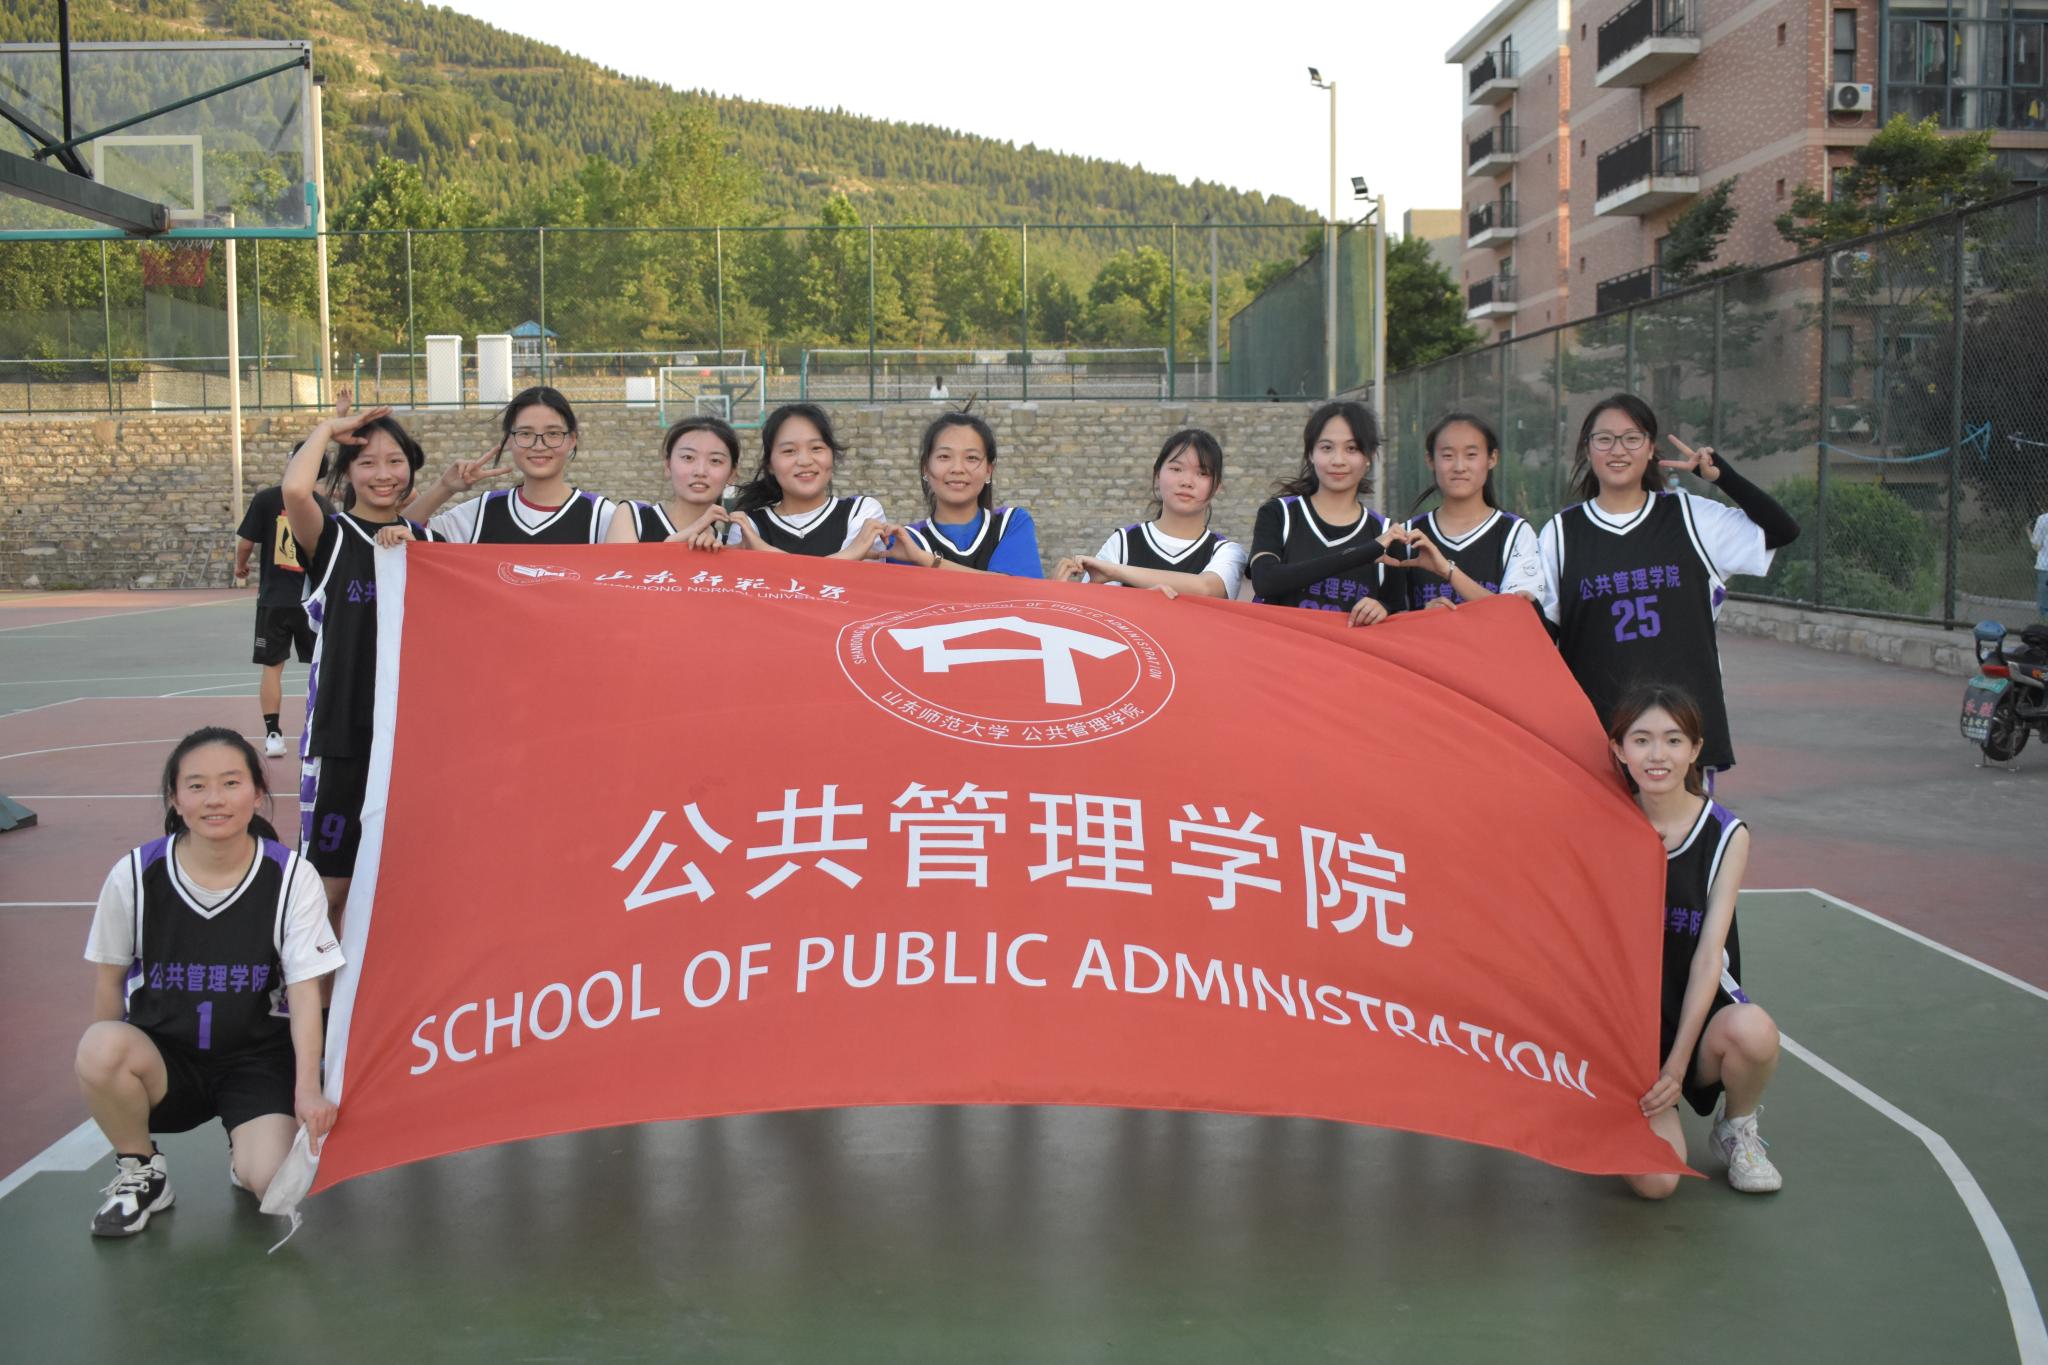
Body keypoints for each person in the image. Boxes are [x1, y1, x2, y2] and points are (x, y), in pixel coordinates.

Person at [75, 727, 342, 1236]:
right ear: (175, 800)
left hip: (256, 1061)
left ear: (258, 794)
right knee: (99, 1045)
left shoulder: (291, 877)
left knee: (270, 1181)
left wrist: (308, 1089)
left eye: (231, 783)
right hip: (166, 1060)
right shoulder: (135, 875)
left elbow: (306, 991)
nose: (214, 799)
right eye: (196, 786)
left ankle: (245, 1148)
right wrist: (106, 1080)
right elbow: (109, 984)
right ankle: (141, 1169)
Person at [1533, 394, 1798, 776]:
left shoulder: (1691, 517)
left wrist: (1722, 476)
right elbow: (1539, 631)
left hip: (1682, 732)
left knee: (1682, 819)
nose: (1618, 450)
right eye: (1604, 439)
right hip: (1599, 735)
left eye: (1631, 438)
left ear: (1650, 448)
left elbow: (1783, 530)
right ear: (1587, 449)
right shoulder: (1560, 534)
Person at [1607, 685, 1783, 1199]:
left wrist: (1677, 1066)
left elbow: (1709, 959)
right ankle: (1609, 1108)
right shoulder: (1604, 824)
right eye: (1641, 740)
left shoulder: (1726, 834)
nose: (1657, 755)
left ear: (1695, 749)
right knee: (1658, 1183)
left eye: (1673, 739)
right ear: (1619, 749)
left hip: (1695, 1025)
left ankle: (1737, 1129)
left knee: (1754, 1031)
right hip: (1627, 1033)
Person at [283, 405, 443, 933]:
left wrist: (420, 548)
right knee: (330, 888)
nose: (383, 473)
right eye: (367, 462)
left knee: (409, 888)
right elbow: (295, 492)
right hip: (345, 739)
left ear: (411, 468)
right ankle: (315, 986)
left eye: (395, 461)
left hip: (413, 746)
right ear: (347, 472)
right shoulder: (331, 538)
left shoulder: (433, 547)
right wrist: (327, 430)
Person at [1249, 401, 1410, 621]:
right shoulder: (1279, 514)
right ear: (1311, 453)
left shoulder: (1387, 535)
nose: (1338, 460)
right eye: (1327, 448)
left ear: (1369, 456)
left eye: (1351, 448)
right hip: (1281, 643)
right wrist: (1367, 551)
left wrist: (1383, 608)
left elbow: (1396, 610)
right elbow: (1265, 581)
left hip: (1345, 646)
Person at [406, 386, 618, 544]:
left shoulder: (602, 516)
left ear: (572, 440)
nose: (539, 445)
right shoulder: (482, 512)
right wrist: (445, 487)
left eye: (553, 433)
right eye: (525, 433)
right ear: (508, 440)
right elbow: (399, 534)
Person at [1380, 411, 1540, 619]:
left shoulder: (1515, 533)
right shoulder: (1407, 536)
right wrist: (1422, 619)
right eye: (1447, 456)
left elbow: (1517, 618)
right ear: (1430, 460)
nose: (1459, 467)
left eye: (1471, 455)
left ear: (1492, 458)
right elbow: (1390, 617)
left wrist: (1448, 571)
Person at [1053, 428, 1246, 598]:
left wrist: (1115, 572)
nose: (1187, 482)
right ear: (1157, 474)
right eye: (1176, 469)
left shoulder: (1226, 551)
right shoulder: (1123, 542)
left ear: (1217, 486)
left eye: (1202, 473)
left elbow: (1206, 588)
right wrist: (1055, 592)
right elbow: (1096, 612)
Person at [233, 471, 332, 759]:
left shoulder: (266, 499)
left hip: (274, 599)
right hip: (310, 600)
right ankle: (320, 729)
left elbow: (246, 544)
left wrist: (240, 565)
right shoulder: (322, 506)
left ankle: (273, 734)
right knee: (322, 666)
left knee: (272, 667)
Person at [884, 411, 1044, 576]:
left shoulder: (1012, 523)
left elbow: (1017, 588)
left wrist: (925, 559)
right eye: (944, 456)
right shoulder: (904, 542)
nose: (957, 469)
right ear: (925, 468)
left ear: (989, 470)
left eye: (971, 458)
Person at [728, 403, 890, 559]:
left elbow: (860, 578)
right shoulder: (748, 526)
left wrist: (764, 551)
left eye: (816, 448)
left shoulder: (862, 512)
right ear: (770, 465)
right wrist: (852, 553)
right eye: (789, 451)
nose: (805, 461)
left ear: (832, 456)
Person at [604, 415, 742, 549]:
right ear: (667, 465)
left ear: (732, 473)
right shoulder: (633, 517)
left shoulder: (727, 547)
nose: (700, 471)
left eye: (715, 460)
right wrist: (692, 531)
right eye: (688, 457)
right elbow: (620, 565)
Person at [2031, 507, 2048, 619]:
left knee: (2044, 602)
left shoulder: (2044, 519)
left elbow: (2036, 544)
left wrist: (2029, 533)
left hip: (2045, 565)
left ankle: (2045, 619)